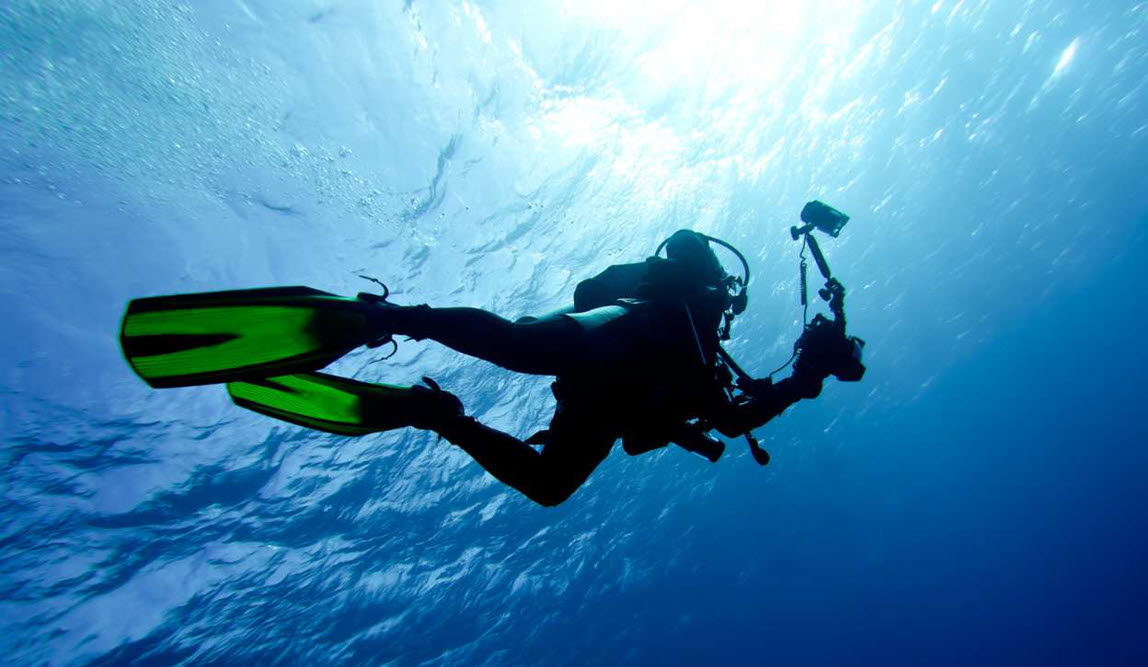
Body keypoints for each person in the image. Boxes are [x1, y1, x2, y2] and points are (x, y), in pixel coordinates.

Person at [120, 230, 861, 507]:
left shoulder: (704, 360)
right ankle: (389, 318)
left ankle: (432, 414)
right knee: (522, 346)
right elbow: (731, 411)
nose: (728, 308)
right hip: (614, 337)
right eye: (726, 299)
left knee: (549, 486)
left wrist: (803, 377)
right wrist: (801, 374)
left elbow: (734, 417)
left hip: (610, 399)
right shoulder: (676, 310)